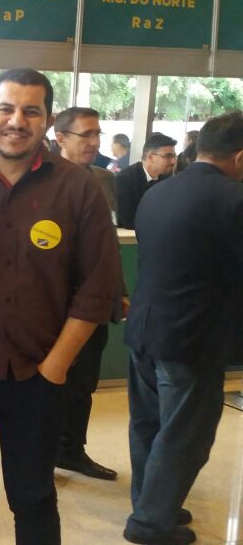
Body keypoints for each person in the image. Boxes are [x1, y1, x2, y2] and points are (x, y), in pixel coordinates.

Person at [0, 69, 121, 544]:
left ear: (48, 121)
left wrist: (55, 368)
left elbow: (97, 287)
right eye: (6, 109)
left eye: (31, 111)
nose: (17, 121)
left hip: (39, 374)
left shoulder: (79, 189)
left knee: (33, 497)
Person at [123, 111, 243, 545]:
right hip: (193, 339)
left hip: (144, 329)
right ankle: (151, 522)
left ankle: (154, 502)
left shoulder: (158, 191)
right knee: (185, 434)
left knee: (149, 426)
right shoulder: (234, 199)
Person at [52, 107, 124, 481]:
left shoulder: (103, 179)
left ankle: (71, 449)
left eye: (98, 134)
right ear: (60, 137)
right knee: (53, 385)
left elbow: (108, 244)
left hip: (97, 300)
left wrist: (118, 291)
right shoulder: (44, 178)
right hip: (56, 305)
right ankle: (40, 454)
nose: (94, 142)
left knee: (84, 385)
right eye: (86, 135)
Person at [116, 132, 177, 230]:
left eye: (174, 156)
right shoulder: (125, 179)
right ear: (150, 157)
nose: (173, 161)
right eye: (168, 156)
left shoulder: (168, 179)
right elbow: (128, 220)